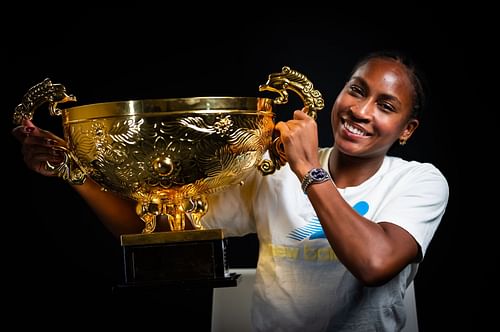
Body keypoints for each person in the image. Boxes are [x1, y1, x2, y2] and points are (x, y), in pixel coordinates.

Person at [12, 51, 449, 331]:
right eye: (356, 90)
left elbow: (374, 263)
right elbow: (152, 231)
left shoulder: (419, 182)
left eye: (386, 106)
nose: (360, 110)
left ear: (407, 130)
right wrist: (75, 172)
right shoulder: (272, 171)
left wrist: (309, 170)